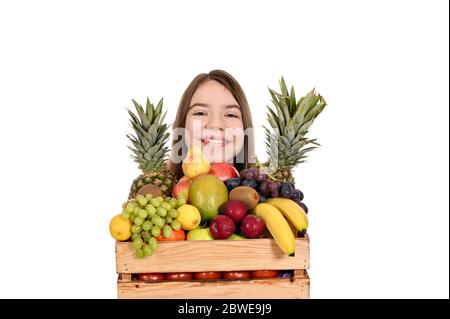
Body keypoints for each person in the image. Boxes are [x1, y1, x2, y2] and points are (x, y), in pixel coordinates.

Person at [168, 69, 256, 178]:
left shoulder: (272, 190)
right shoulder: (153, 191)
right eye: (200, 113)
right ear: (182, 124)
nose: (216, 124)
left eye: (231, 115)